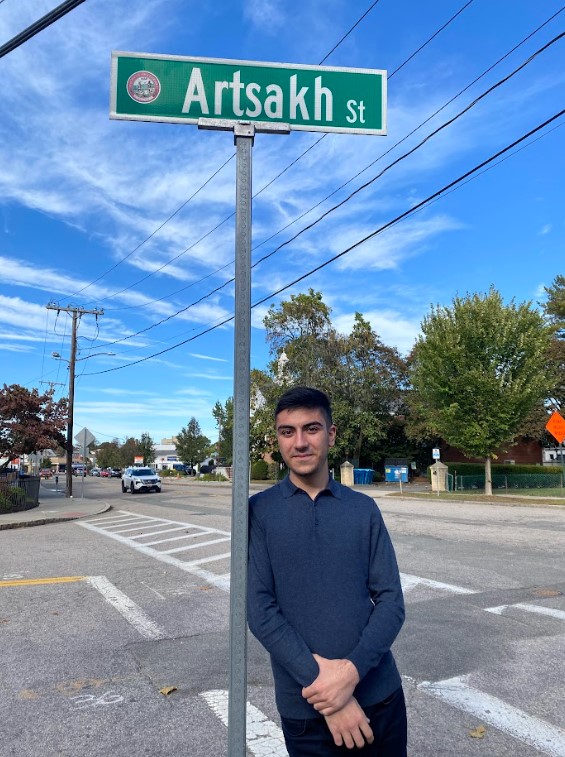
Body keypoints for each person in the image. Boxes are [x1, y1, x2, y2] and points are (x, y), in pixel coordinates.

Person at [247, 386, 407, 756]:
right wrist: (331, 696)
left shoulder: (363, 509)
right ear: (278, 439)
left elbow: (391, 602)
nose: (300, 442)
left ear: (331, 434)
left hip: (381, 700)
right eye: (288, 432)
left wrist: (349, 675)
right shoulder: (259, 512)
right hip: (306, 713)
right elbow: (260, 611)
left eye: (312, 428)